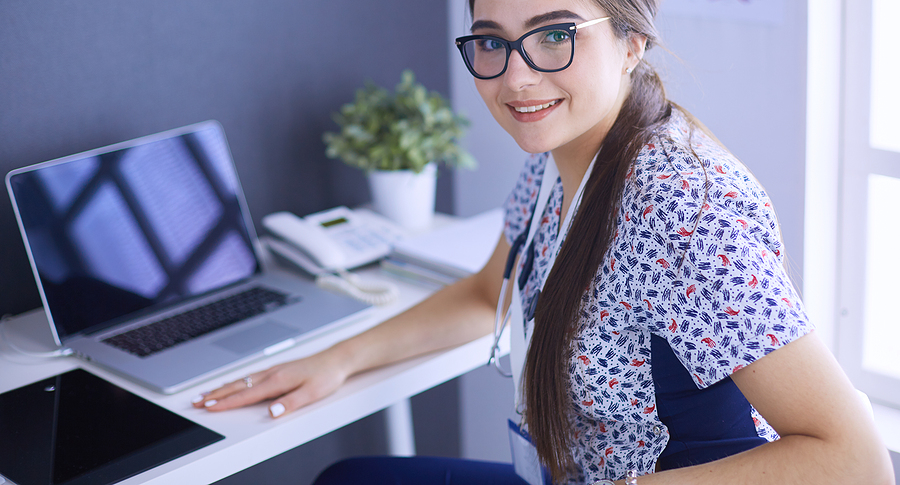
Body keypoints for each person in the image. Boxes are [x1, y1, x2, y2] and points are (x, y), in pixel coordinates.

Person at [191, 0, 896, 483]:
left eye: (555, 33)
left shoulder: (680, 202)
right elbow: (484, 290)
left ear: (631, 39)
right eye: (491, 41)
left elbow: (854, 460)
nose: (516, 77)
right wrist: (335, 360)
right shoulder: (560, 156)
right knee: (348, 477)